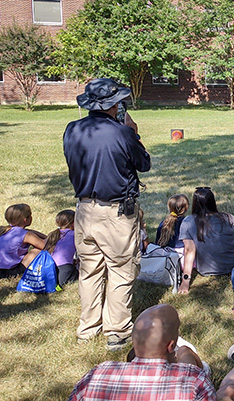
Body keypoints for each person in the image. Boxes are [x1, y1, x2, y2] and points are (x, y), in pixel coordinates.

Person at [63, 78, 151, 351]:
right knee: (121, 270)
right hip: (115, 213)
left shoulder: (72, 130)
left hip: (84, 210)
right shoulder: (122, 134)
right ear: (114, 105)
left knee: (89, 270)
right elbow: (143, 163)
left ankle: (87, 328)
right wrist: (133, 134)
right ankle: (117, 330)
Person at [68, 304, 234, 401]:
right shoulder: (191, 379)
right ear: (170, 346)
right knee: (225, 396)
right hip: (185, 375)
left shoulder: (98, 373)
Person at [178, 188, 234, 294]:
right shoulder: (228, 217)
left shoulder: (188, 222)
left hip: (206, 269)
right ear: (212, 201)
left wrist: (185, 281)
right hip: (233, 265)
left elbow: (189, 250)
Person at [0, 204, 46, 278]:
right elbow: (45, 246)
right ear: (25, 220)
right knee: (37, 251)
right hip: (10, 272)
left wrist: (30, 231)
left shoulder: (4, 230)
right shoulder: (26, 235)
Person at [44, 210, 78, 286]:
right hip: (65, 268)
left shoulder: (53, 234)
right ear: (73, 223)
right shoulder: (74, 234)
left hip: (50, 268)